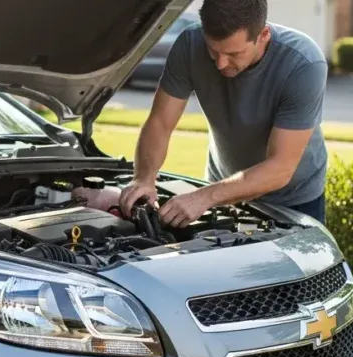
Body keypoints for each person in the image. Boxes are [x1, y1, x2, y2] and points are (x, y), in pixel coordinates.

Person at [118, 0, 329, 226]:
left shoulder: (303, 63)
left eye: (234, 53)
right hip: (222, 189)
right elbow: (160, 122)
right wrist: (144, 178)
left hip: (292, 200)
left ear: (263, 35)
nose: (220, 64)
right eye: (213, 50)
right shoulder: (190, 44)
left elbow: (280, 167)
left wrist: (204, 197)